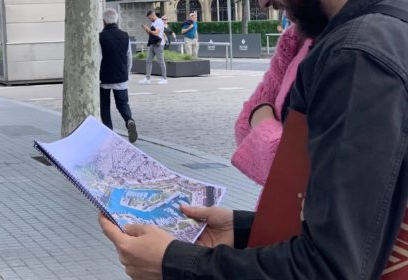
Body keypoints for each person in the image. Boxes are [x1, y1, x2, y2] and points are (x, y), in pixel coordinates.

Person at [100, 0, 408, 279]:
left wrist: (174, 263)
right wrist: (243, 229)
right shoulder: (383, 31)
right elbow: (362, 222)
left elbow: (328, 268)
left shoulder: (357, 57)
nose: (263, 3)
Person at [232, 24, 312, 186]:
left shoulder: (351, 48)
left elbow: (292, 169)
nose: (264, 4)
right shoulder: (295, 37)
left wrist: (261, 118)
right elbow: (243, 125)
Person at [99, 8, 138, 143]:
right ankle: (129, 120)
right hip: (121, 75)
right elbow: (129, 57)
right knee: (122, 103)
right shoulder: (125, 35)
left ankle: (108, 131)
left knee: (104, 106)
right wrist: (127, 73)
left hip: (104, 77)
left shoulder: (100, 37)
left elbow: (99, 58)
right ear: (116, 20)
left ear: (104, 21)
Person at [139, 11, 168, 85]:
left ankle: (164, 79)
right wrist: (146, 29)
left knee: (161, 61)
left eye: (149, 18)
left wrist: (148, 29)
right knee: (148, 60)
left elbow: (156, 33)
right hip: (153, 43)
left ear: (152, 16)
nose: (149, 19)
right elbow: (151, 33)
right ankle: (147, 79)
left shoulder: (159, 22)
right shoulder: (153, 23)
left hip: (158, 44)